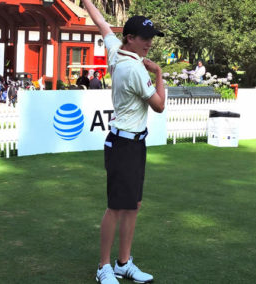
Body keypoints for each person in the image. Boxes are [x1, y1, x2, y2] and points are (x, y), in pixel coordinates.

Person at [82, 1, 165, 283]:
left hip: (132, 143)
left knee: (133, 205)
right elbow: (159, 106)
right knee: (116, 207)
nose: (149, 44)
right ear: (131, 38)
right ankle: (104, 266)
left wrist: (87, 2)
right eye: (145, 39)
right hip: (124, 144)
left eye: (151, 39)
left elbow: (101, 23)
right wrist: (159, 74)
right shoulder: (136, 70)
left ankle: (123, 262)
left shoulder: (116, 49)